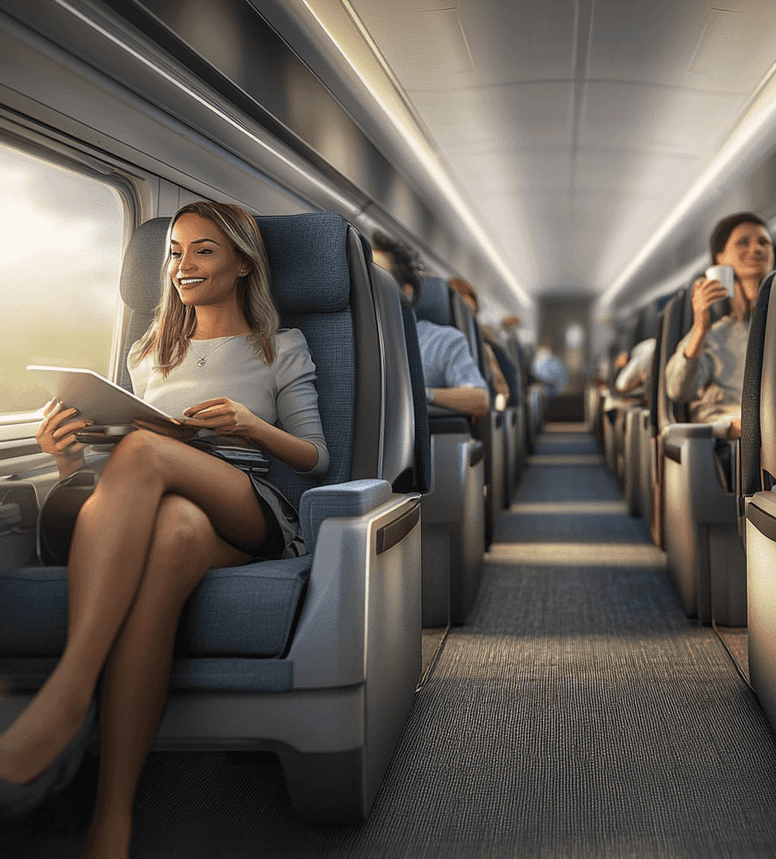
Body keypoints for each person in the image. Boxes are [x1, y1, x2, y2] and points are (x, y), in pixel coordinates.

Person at [0, 201, 328, 855]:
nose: (183, 265)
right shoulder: (149, 350)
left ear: (242, 262)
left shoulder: (279, 347)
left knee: (147, 454)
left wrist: (249, 425)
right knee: (172, 530)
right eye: (175, 252)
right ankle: (112, 821)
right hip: (165, 506)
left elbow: (314, 456)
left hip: (245, 498)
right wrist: (69, 454)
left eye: (204, 250)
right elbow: (119, 456)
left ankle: (70, 691)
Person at [664, 212, 774, 438]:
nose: (757, 249)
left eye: (764, 242)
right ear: (720, 258)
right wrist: (700, 328)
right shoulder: (713, 334)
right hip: (729, 426)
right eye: (743, 242)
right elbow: (678, 390)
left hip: (775, 420)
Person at [370, 234, 489, 419]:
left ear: (405, 293)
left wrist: (420, 394)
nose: (364, 286)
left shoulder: (444, 340)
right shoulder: (343, 339)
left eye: (376, 278)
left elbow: (479, 399)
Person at [449, 276, 510, 404]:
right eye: (462, 313)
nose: (467, 321)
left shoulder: (487, 349)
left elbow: (501, 390)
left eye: (472, 313)